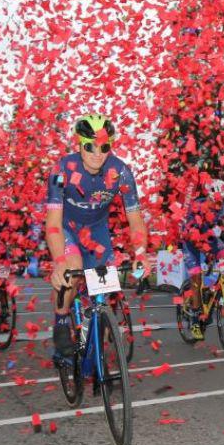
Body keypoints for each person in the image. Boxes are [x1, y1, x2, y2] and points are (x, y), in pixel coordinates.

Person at [45, 114, 150, 357]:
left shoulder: (121, 171)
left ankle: (97, 357)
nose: (97, 153)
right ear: (79, 145)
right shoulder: (61, 169)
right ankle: (61, 322)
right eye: (89, 146)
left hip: (97, 231)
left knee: (102, 292)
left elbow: (135, 218)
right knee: (72, 270)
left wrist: (141, 254)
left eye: (104, 147)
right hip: (67, 227)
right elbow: (52, 221)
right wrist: (59, 263)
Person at [179, 176, 224, 339]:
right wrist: (207, 253)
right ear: (209, 196)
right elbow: (191, 235)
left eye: (223, 200)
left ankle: (213, 290)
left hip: (208, 238)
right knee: (196, 277)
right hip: (190, 241)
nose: (220, 204)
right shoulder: (196, 207)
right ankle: (194, 317)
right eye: (218, 200)